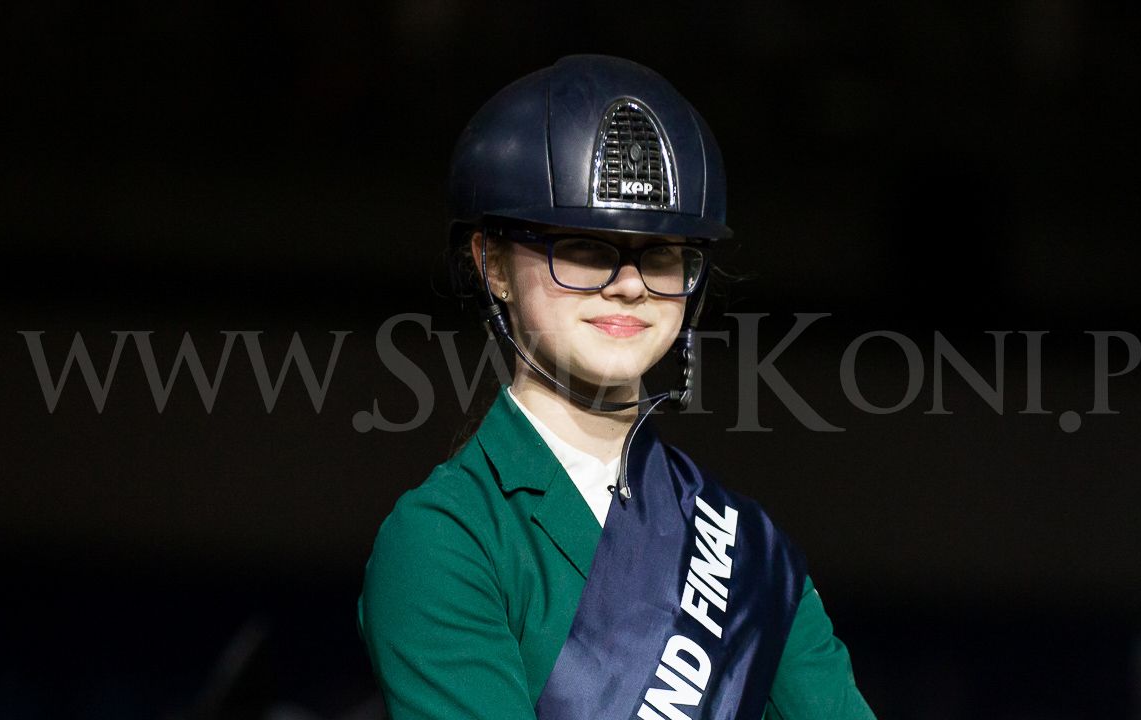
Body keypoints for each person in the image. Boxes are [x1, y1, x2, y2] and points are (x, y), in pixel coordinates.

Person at [358, 55, 875, 720]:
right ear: (492, 266)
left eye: (661, 254)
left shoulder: (750, 550)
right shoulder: (446, 539)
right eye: (584, 247)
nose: (629, 284)